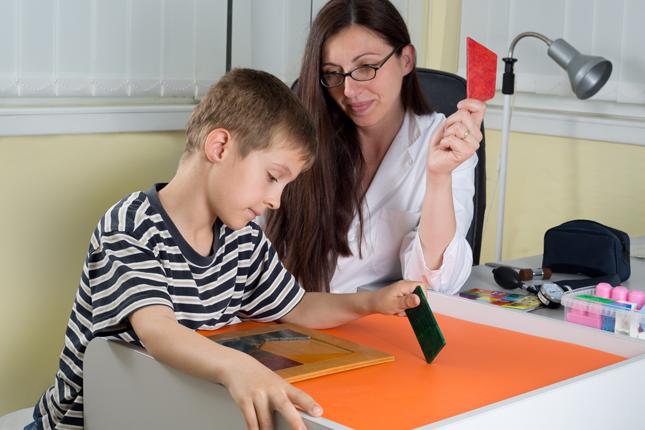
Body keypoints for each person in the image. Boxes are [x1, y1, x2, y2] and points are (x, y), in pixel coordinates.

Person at [25, 68, 422, 430]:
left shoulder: (242, 239)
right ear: (219, 147)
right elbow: (158, 331)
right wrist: (240, 367)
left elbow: (296, 306)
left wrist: (370, 302)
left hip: (171, 411)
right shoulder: (129, 228)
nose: (276, 201)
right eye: (272, 177)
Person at [265, 0, 486, 295]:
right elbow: (250, 241)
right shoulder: (302, 134)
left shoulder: (444, 141)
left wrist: (438, 178)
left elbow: (438, 281)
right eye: (333, 73)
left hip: (370, 328)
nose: (349, 91)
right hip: (280, 318)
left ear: (406, 60)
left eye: (366, 67)